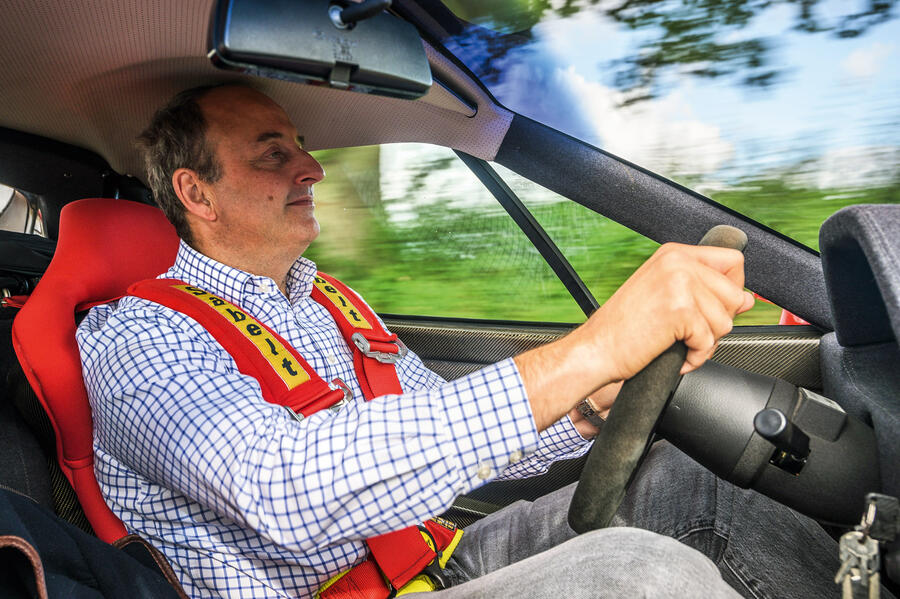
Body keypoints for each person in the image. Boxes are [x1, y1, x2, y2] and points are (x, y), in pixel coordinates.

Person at [77, 84, 841, 598]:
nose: (311, 167)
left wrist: (584, 405)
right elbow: (285, 487)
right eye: (273, 153)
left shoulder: (328, 300)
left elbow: (451, 421)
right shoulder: (138, 341)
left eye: (301, 145)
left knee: (691, 482)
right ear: (196, 192)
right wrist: (590, 347)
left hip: (435, 559)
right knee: (640, 573)